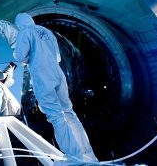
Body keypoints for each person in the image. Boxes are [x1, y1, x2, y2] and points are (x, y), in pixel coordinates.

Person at [14, 13, 98, 164]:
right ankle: (88, 154)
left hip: (42, 74)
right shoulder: (47, 32)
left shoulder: (25, 32)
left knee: (56, 116)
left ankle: (74, 156)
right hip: (58, 73)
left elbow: (20, 56)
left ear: (19, 24)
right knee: (69, 113)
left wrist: (27, 59)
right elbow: (58, 57)